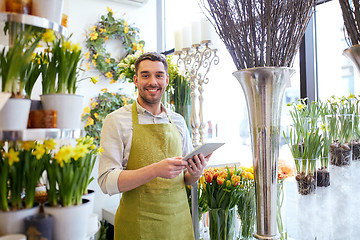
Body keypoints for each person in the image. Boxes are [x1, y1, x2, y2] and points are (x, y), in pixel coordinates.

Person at [98, 52, 211, 240]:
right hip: (137, 227)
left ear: (166, 80)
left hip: (178, 224)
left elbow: (186, 178)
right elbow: (106, 181)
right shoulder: (116, 120)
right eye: (145, 75)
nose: (153, 82)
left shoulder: (178, 121)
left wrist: (196, 172)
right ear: (135, 79)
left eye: (158, 75)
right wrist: (155, 170)